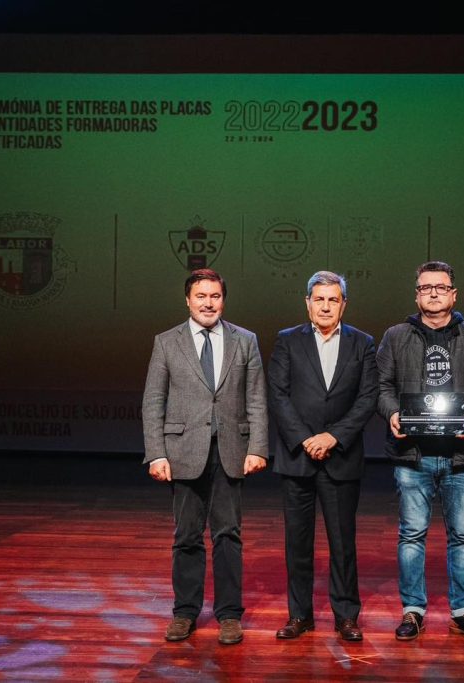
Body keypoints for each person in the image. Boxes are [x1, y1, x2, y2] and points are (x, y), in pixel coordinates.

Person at [141, 268, 268, 646]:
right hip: (183, 451)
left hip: (230, 450)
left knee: (228, 535)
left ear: (223, 300)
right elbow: (153, 401)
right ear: (188, 300)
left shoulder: (245, 340)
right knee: (187, 536)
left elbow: (256, 398)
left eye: (215, 296)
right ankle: (185, 612)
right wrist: (156, 453)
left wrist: (257, 447)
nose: (208, 303)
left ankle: (229, 615)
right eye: (201, 296)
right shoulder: (167, 342)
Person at [376, 260, 464, 642]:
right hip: (413, 455)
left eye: (441, 287)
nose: (433, 293)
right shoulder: (395, 336)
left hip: (461, 456)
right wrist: (392, 412)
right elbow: (381, 386)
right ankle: (413, 611)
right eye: (426, 287)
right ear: (416, 295)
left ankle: (462, 611)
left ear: (453, 294)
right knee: (412, 535)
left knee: (462, 536)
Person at [267, 271, 378, 642]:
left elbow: (367, 398)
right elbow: (278, 395)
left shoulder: (363, 343)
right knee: (297, 543)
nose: (326, 306)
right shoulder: (287, 340)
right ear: (308, 303)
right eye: (319, 299)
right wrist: (305, 439)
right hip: (297, 458)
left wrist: (333, 437)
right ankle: (300, 615)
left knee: (342, 544)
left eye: (333, 299)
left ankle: (346, 616)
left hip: (341, 457)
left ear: (344, 304)